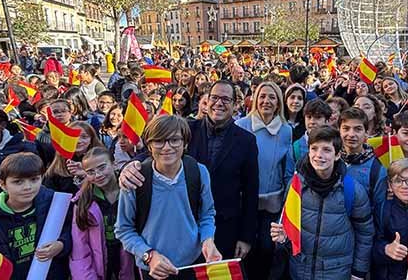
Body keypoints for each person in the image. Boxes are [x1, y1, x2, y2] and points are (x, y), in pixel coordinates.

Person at [119, 80, 259, 261]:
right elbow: (153, 149)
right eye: (214, 97)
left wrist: (246, 237)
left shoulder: (246, 141)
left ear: (235, 104)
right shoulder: (186, 129)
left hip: (225, 228)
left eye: (226, 99)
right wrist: (130, 166)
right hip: (185, 228)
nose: (219, 103)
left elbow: (250, 191)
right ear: (206, 101)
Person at [115, 115, 221, 279]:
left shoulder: (198, 172)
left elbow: (206, 214)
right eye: (159, 141)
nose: (166, 147)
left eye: (174, 140)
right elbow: (124, 229)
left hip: (193, 264)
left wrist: (207, 239)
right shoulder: (135, 179)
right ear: (149, 145)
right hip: (153, 269)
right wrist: (149, 255)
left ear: (185, 143)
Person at [269, 126, 374, 280]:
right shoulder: (295, 185)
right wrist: (284, 238)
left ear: (337, 155)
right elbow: (289, 228)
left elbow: (365, 234)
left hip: (336, 272)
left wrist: (358, 272)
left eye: (326, 149)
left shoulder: (352, 190)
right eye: (314, 149)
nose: (319, 155)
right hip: (300, 270)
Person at [0, 152, 72, 280]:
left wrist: (62, 244)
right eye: (18, 182)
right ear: (2, 185)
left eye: (34, 179)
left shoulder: (55, 204)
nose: (27, 187)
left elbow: (72, 232)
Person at [235, 81, 294, 279]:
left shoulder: (286, 130)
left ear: (278, 103)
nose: (266, 101)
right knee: (245, 248)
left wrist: (287, 198)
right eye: (262, 96)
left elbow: (287, 168)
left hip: (273, 201)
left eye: (271, 97)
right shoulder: (241, 125)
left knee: (268, 248)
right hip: (246, 200)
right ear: (255, 100)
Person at [70, 147, 134, 279]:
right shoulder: (82, 202)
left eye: (102, 167)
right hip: (99, 266)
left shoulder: (131, 192)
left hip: (131, 262)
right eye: (91, 172)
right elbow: (80, 248)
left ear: (114, 164)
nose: (98, 175)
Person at [338, 107, 388, 215]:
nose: (351, 134)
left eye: (358, 129)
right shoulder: (331, 160)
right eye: (346, 128)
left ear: (366, 132)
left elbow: (379, 210)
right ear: (339, 130)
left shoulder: (377, 169)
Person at [43, 121, 104, 194]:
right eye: (73, 136)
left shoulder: (101, 160)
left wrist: (86, 175)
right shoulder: (58, 165)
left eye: (84, 137)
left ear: (91, 139)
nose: (78, 141)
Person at [291, 98, 333, 163]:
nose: (312, 121)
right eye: (309, 117)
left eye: (318, 117)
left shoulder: (334, 143)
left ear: (327, 121)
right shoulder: (296, 147)